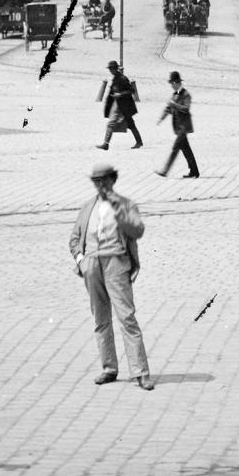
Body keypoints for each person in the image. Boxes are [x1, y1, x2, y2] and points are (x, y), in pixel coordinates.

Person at [69, 161, 154, 390]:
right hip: (92, 265)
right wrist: (81, 261)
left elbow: (137, 231)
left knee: (127, 317)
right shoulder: (87, 207)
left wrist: (118, 210)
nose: (101, 186)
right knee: (100, 318)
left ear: (113, 181)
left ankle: (141, 372)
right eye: (97, 182)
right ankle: (109, 368)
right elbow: (74, 239)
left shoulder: (126, 204)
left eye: (104, 181)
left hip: (116, 262)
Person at [156, 70, 199, 178]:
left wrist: (174, 105)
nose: (171, 86)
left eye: (171, 83)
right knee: (186, 149)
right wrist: (162, 118)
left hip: (184, 126)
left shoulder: (186, 94)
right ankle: (194, 171)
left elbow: (186, 109)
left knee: (175, 148)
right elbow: (168, 108)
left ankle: (165, 170)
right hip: (178, 126)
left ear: (176, 83)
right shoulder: (174, 95)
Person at [98, 60, 143, 150]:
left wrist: (120, 94)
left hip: (123, 105)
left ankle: (106, 144)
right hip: (118, 104)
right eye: (110, 69)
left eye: (111, 69)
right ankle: (139, 142)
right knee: (129, 124)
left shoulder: (122, 78)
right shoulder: (115, 78)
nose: (110, 70)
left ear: (115, 69)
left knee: (116, 123)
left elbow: (131, 90)